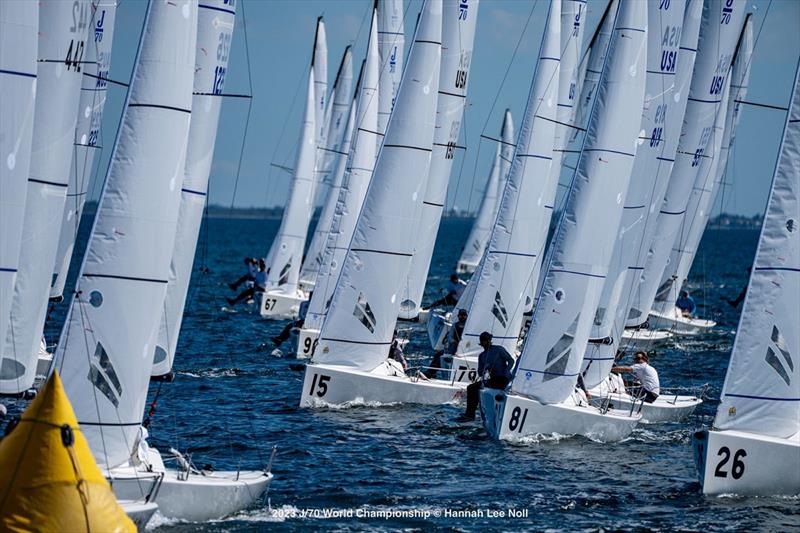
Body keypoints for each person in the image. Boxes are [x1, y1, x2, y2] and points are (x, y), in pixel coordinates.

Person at [458, 331, 514, 421]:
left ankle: (470, 414)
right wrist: (484, 368)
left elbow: (511, 361)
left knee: (476, 387)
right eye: (483, 340)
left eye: (486, 340)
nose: (485, 342)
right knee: (471, 387)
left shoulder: (499, 349)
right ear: (481, 342)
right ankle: (470, 414)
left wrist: (506, 370)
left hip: (504, 378)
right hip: (494, 380)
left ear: (490, 340)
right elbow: (480, 373)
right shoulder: (482, 356)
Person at [425, 308, 467, 378]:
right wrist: (454, 342)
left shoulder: (467, 327)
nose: (462, 317)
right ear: (458, 316)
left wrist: (460, 344)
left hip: (463, 349)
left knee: (440, 355)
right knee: (438, 355)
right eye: (461, 315)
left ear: (466, 316)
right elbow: (450, 337)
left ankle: (431, 372)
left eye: (464, 315)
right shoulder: (455, 325)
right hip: (453, 348)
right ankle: (431, 372)